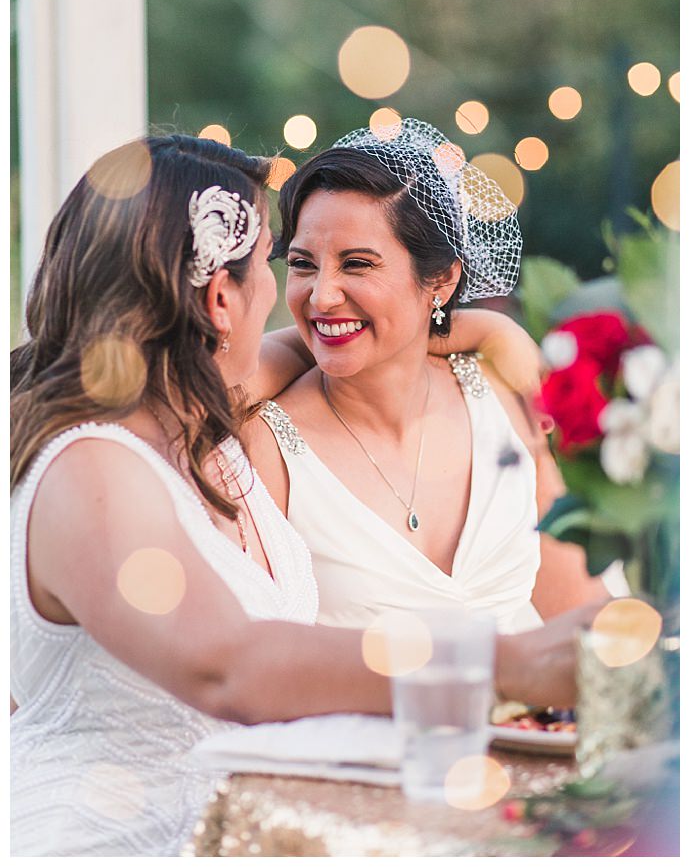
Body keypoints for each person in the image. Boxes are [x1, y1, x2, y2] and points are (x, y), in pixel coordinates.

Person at [10, 133, 601, 856]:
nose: (300, 300)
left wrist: (463, 328)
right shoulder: (93, 469)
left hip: (254, 835)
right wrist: (506, 662)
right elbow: (233, 664)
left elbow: (303, 347)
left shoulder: (193, 436)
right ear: (221, 296)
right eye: (274, 265)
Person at [246, 119, 611, 633]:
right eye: (303, 264)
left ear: (441, 277)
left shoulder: (501, 401)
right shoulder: (264, 447)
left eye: (356, 264)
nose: (321, 295)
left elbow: (579, 609)